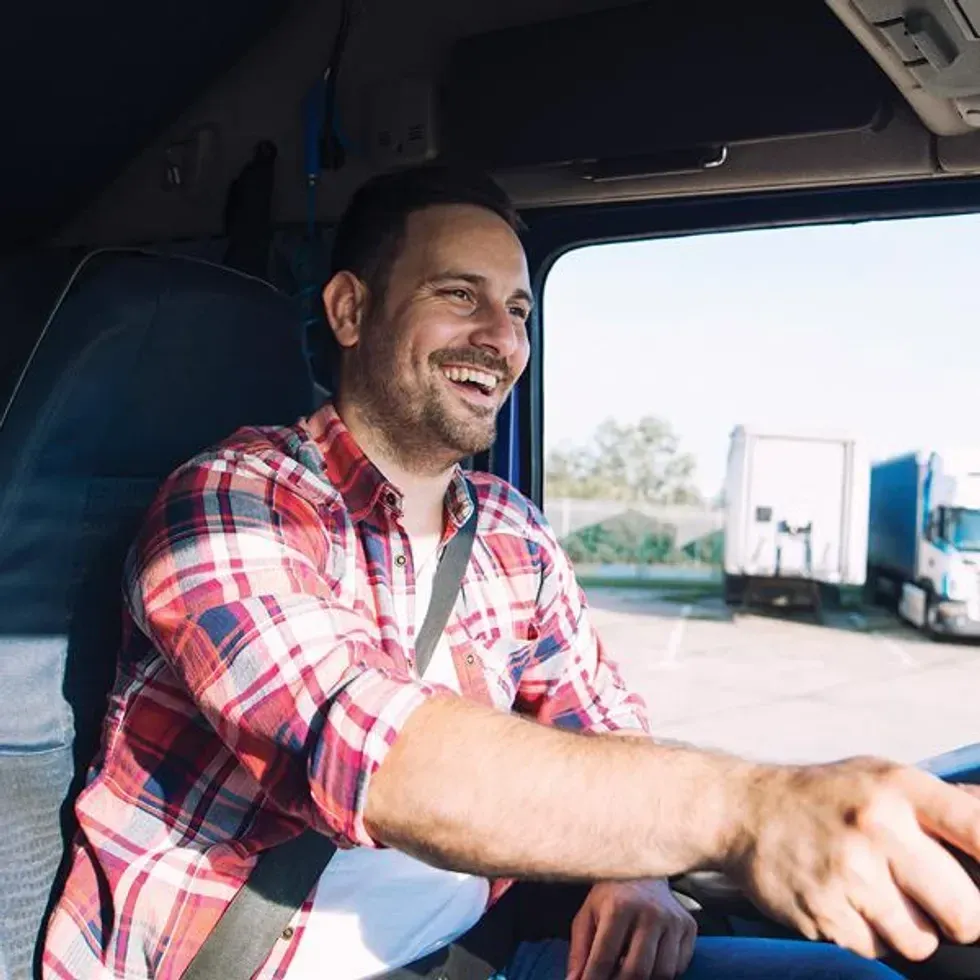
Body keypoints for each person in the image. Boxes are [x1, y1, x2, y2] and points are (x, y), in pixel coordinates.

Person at [42, 165, 980, 980]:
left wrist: (636, 868)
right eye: (460, 294)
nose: (502, 337)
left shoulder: (510, 533)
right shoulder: (230, 499)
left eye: (520, 309)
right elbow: (368, 750)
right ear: (351, 310)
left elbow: (601, 721)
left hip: (484, 953)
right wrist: (750, 808)